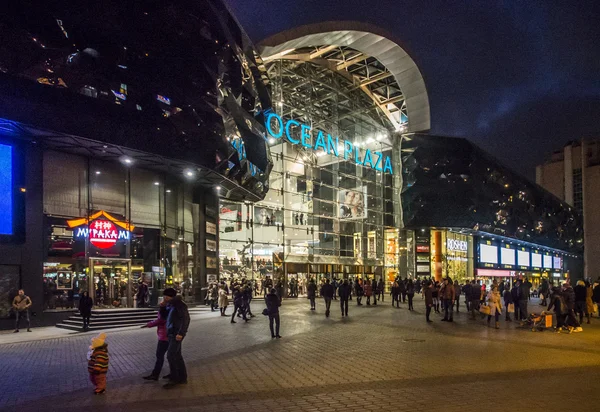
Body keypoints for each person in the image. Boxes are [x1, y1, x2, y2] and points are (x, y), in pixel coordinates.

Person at [162, 288, 190, 388]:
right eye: (164, 296)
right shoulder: (171, 305)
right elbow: (165, 317)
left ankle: (175, 378)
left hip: (176, 334)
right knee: (177, 355)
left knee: (171, 355)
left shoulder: (179, 305)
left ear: (171, 296)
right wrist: (162, 307)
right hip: (171, 333)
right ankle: (181, 376)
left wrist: (181, 333)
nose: (165, 297)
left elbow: (186, 319)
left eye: (166, 296)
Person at [142, 302, 169, 380]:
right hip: (167, 336)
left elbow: (159, 321)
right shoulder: (168, 312)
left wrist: (148, 324)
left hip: (164, 337)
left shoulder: (164, 314)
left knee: (160, 356)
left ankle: (155, 375)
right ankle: (173, 373)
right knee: (170, 356)